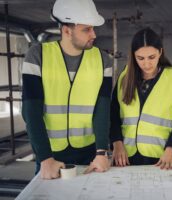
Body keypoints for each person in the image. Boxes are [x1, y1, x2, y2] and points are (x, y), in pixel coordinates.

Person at [21, 0, 111, 179]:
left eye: (93, 28)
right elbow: (31, 111)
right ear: (67, 30)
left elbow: (103, 109)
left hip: (90, 153)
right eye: (86, 29)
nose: (93, 34)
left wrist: (102, 152)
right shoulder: (38, 55)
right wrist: (45, 158)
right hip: (49, 154)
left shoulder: (103, 60)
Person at [110, 28, 172, 170]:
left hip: (160, 160)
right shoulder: (124, 77)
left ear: (160, 52)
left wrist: (171, 149)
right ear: (133, 56)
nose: (146, 64)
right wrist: (116, 144)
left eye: (151, 57)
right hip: (125, 159)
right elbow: (113, 117)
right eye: (140, 58)